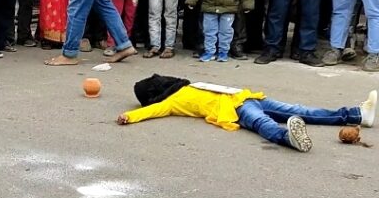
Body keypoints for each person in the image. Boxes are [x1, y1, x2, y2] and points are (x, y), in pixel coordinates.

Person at [118, 74, 377, 153]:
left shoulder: (187, 85)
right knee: (263, 123)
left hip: (248, 96)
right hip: (235, 108)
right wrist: (129, 116)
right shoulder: (172, 100)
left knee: (299, 110)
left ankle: (356, 115)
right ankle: (289, 138)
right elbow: (153, 110)